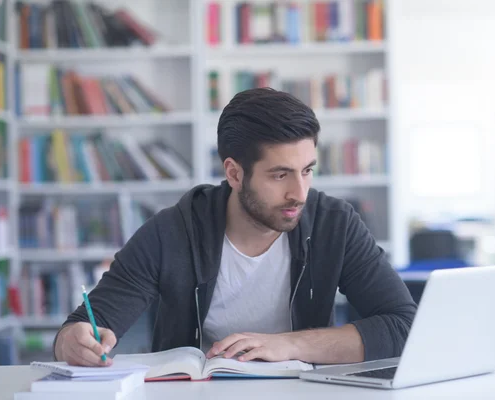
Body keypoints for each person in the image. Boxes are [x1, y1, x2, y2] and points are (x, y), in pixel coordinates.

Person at [53, 88, 417, 367]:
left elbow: (403, 326)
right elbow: (83, 325)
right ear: (234, 173)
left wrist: (288, 344)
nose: (299, 193)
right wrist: (74, 341)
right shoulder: (171, 231)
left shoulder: (334, 224)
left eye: (307, 170)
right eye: (280, 175)